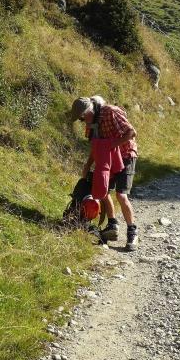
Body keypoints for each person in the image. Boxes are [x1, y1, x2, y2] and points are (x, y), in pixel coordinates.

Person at [70, 96, 139, 251]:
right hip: (107, 158)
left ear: (90, 111)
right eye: (81, 119)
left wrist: (111, 145)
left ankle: (132, 232)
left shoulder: (110, 112)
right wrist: (87, 165)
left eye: (83, 117)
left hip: (126, 155)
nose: (83, 121)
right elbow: (96, 147)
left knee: (121, 195)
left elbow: (131, 133)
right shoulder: (91, 124)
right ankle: (112, 225)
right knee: (102, 190)